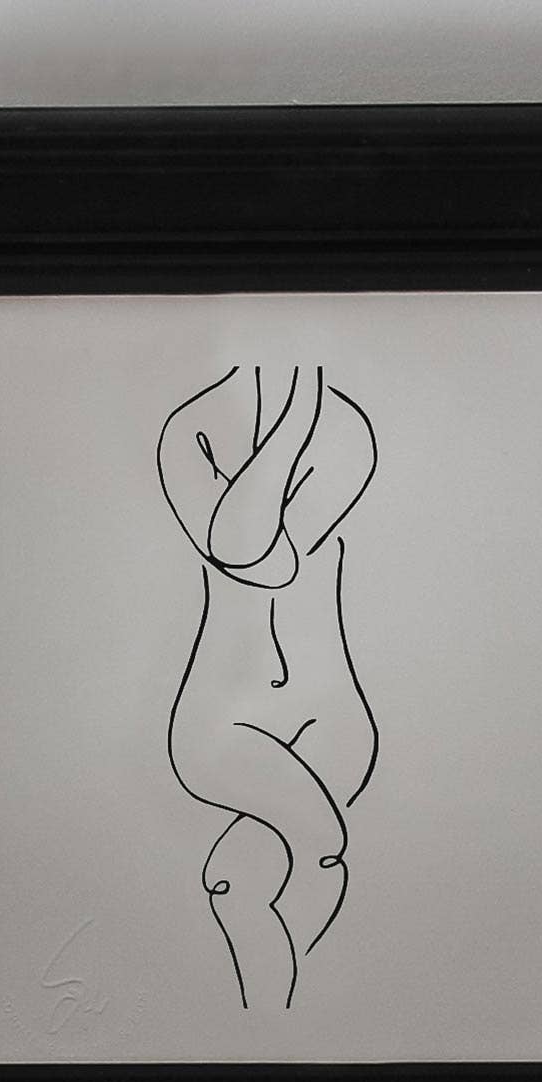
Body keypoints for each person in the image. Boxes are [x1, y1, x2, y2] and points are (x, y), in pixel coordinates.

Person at [158, 363, 379, 1010]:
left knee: (283, 865)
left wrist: (307, 405)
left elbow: (273, 557)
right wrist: (292, 418)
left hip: (328, 713)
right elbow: (246, 552)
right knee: (260, 872)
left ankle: (279, 1029)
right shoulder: (190, 431)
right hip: (218, 720)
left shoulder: (345, 428)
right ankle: (273, 1032)